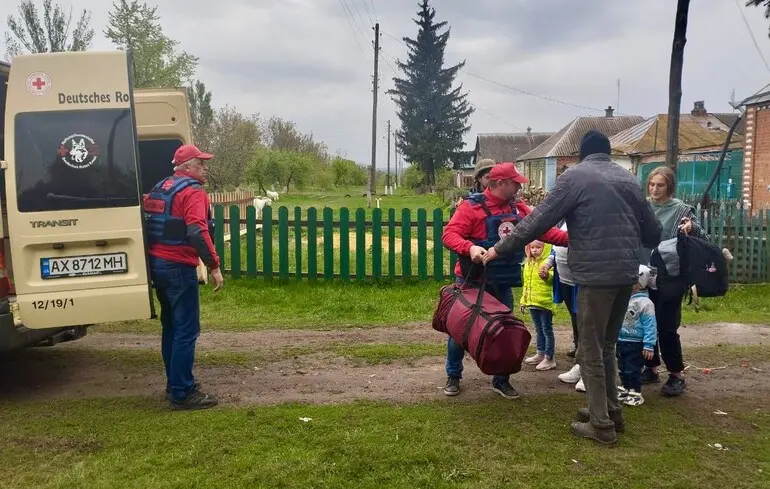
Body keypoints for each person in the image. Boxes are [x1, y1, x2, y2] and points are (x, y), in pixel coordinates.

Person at [483, 131, 661, 445]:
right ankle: (610, 411)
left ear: (581, 154)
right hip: (625, 275)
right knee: (606, 346)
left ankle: (601, 425)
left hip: (595, 276)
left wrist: (500, 248)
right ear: (608, 153)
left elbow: (537, 221)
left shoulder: (574, 178)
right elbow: (653, 233)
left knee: (590, 349)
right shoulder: (630, 179)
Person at [441, 162, 568, 399]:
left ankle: (501, 380)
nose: (519, 187)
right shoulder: (471, 207)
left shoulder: (518, 207)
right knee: (460, 331)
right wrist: (469, 248)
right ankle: (454, 375)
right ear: (499, 183)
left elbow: (543, 231)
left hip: (501, 281)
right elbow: (449, 234)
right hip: (472, 280)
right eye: (515, 183)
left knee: (503, 332)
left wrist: (573, 239)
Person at [143, 143, 225, 410]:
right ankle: (182, 392)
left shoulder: (160, 188)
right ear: (187, 167)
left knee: (172, 327)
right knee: (187, 330)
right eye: (201, 163)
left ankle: (175, 382)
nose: (205, 167)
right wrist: (213, 266)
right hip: (178, 267)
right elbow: (197, 231)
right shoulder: (193, 192)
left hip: (158, 265)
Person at [641, 166, 708, 397]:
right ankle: (650, 367)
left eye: (660, 185)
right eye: (652, 184)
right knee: (644, 323)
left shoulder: (681, 210)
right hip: (644, 273)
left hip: (671, 275)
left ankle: (676, 374)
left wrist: (691, 228)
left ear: (669, 187)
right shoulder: (643, 207)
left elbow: (704, 237)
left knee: (667, 327)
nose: (655, 189)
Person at [540, 220, 584, 390]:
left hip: (585, 281)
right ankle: (580, 365)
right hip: (567, 281)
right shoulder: (565, 219)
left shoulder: (588, 214)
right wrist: (548, 263)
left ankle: (589, 372)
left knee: (587, 325)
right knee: (576, 322)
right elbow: (556, 247)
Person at [616, 265, 658, 407]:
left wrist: (648, 344)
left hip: (636, 342)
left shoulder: (646, 303)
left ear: (640, 285)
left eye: (632, 283)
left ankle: (635, 391)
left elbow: (650, 325)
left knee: (633, 368)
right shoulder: (624, 299)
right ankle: (625, 387)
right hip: (622, 340)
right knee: (622, 366)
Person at [521, 240, 557, 371]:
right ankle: (540, 353)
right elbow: (527, 284)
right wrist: (523, 301)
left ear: (545, 248)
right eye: (532, 247)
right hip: (532, 303)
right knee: (538, 329)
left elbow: (552, 280)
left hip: (544, 303)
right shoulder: (528, 263)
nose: (535, 250)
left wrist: (546, 275)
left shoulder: (548, 263)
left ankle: (549, 357)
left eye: (538, 247)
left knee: (547, 329)